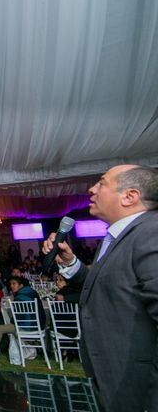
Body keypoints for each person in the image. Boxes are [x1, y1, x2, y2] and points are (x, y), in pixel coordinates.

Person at [42, 164, 158, 411]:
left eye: (102, 183)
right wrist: (70, 263)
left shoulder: (151, 233)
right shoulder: (121, 237)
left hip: (140, 387)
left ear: (130, 196)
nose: (91, 189)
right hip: (116, 376)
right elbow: (108, 285)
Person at [0, 277, 45, 357]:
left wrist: (11, 322)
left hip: (26, 327)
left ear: (21, 286)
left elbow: (19, 319)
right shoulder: (33, 293)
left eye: (14, 284)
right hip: (40, 327)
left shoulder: (19, 298)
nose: (11, 286)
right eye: (11, 284)